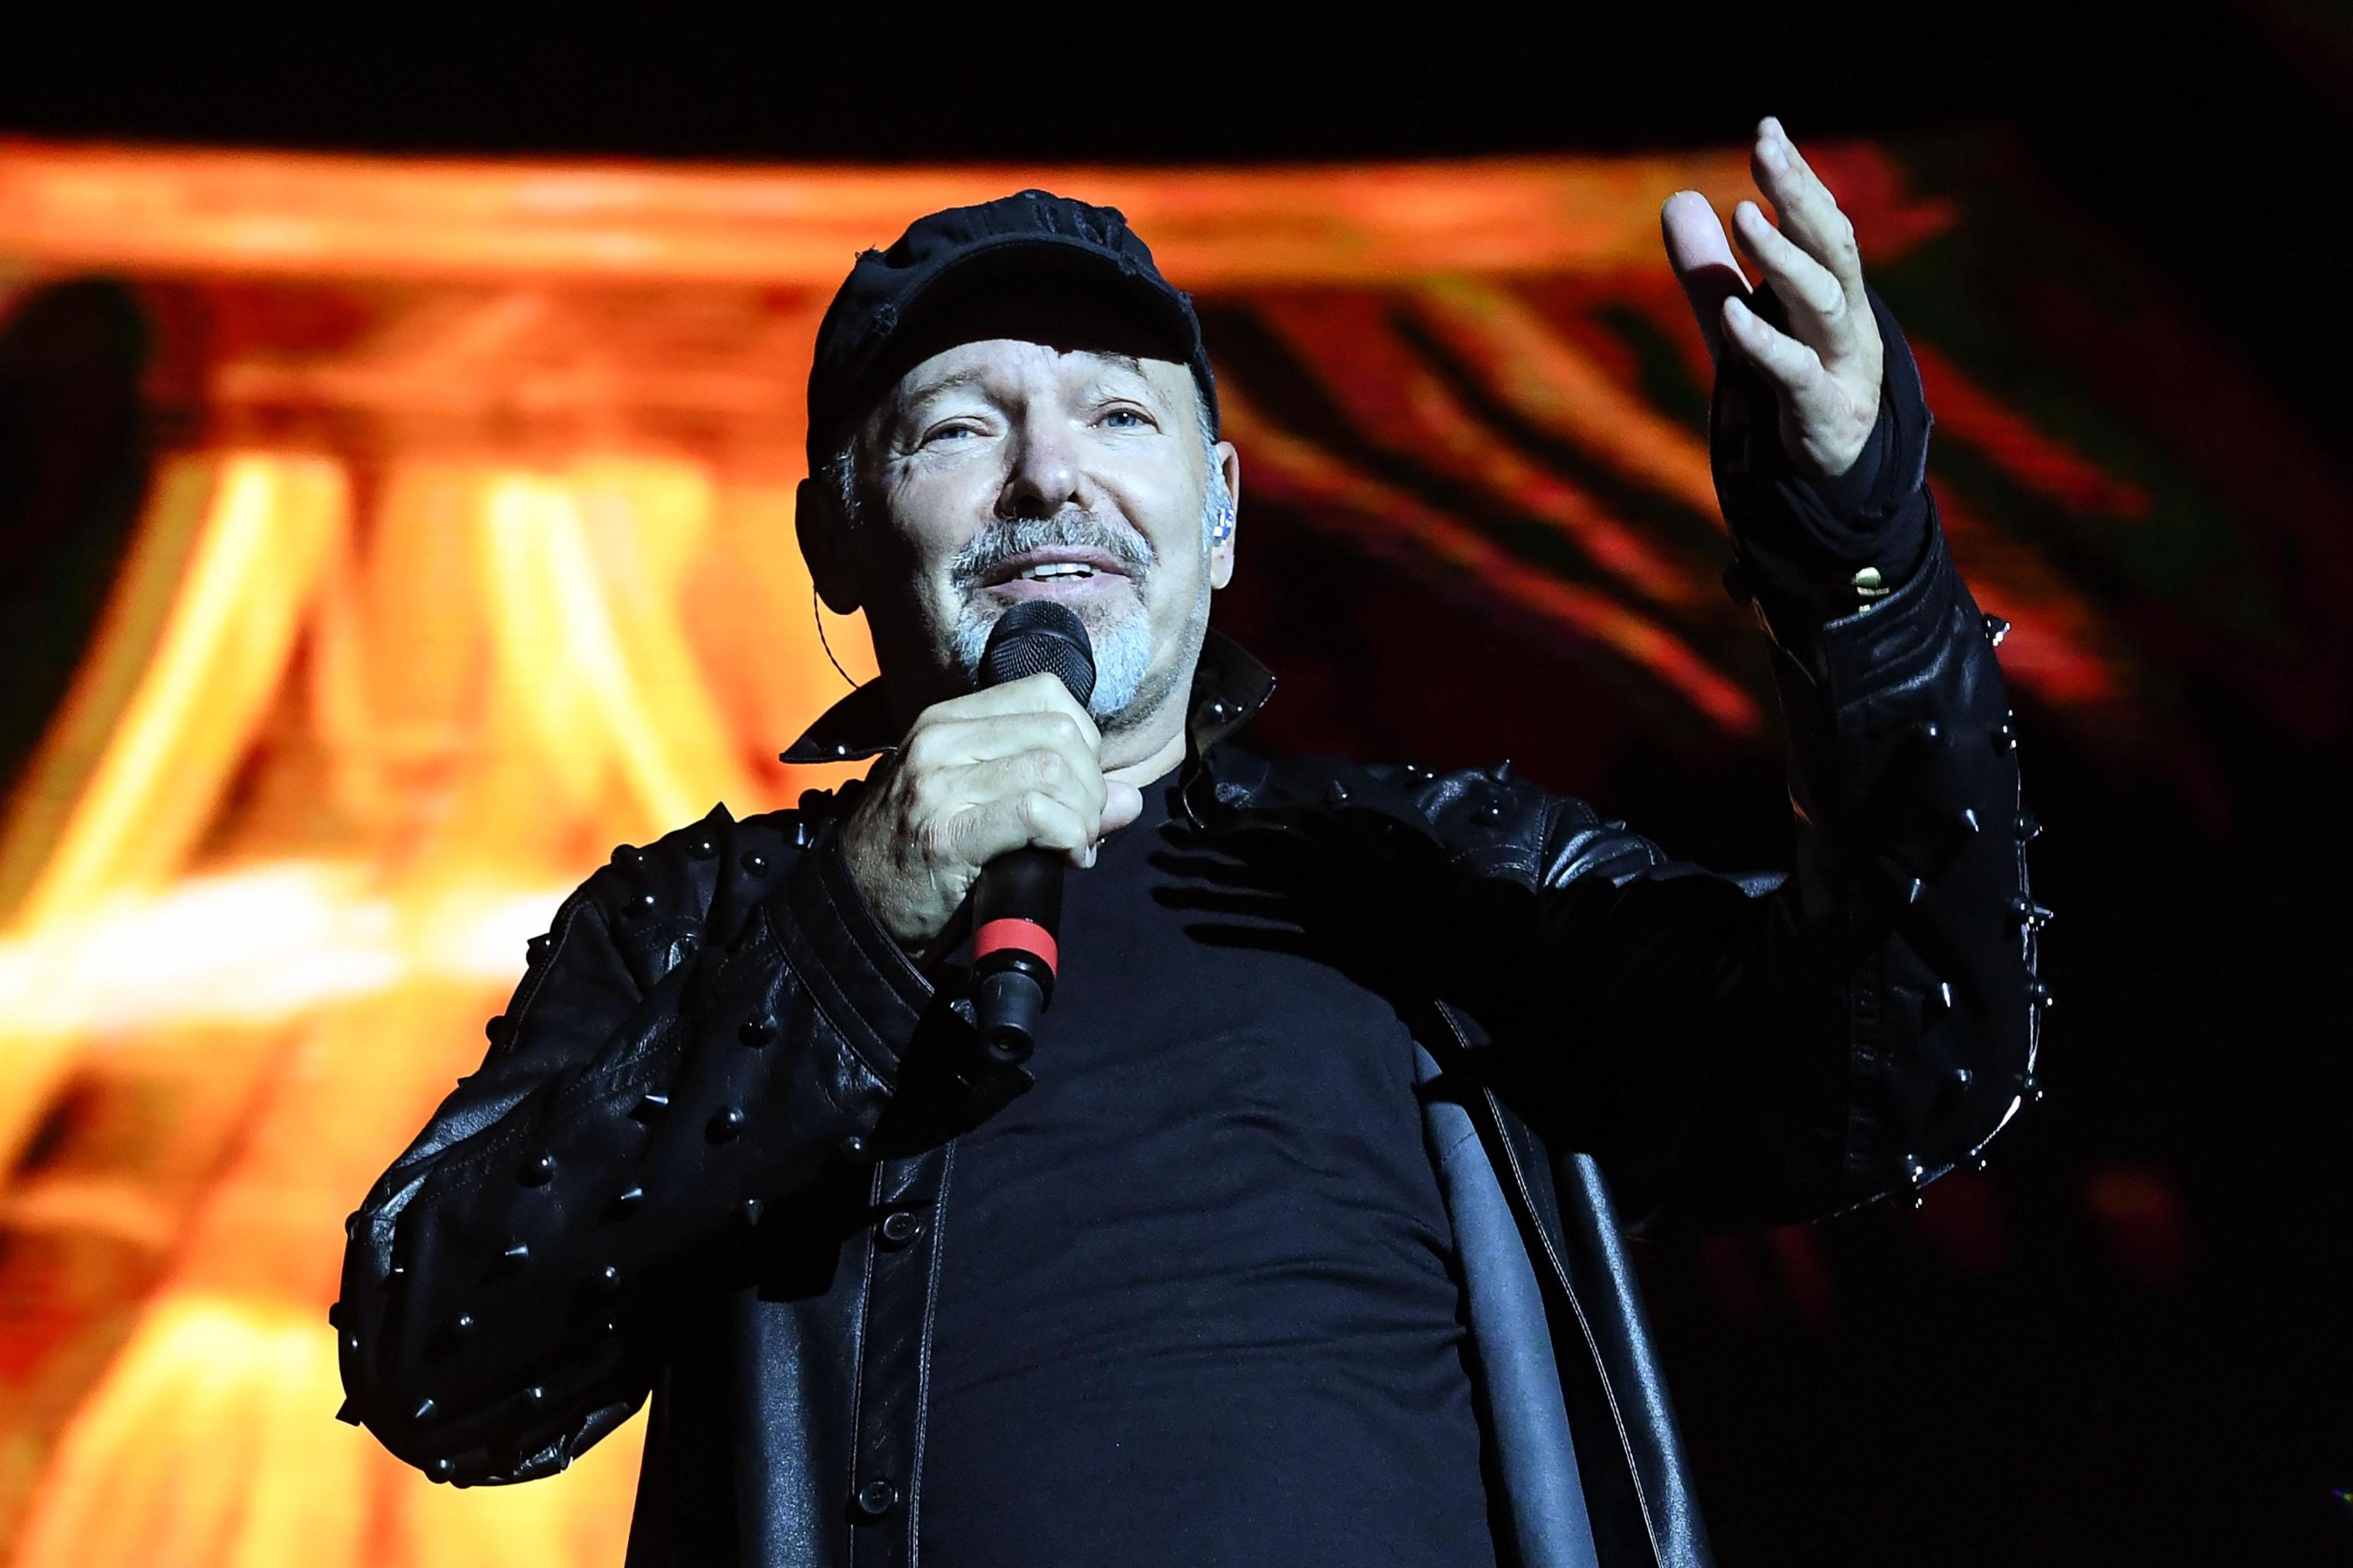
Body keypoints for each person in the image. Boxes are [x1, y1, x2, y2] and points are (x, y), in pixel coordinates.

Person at [335, 117, 2046, 1568]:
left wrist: (1860, 563)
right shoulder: (700, 925)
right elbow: (433, 1354)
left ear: (1220, 515)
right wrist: (857, 928)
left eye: (1119, 419)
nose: (1048, 481)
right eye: (960, 427)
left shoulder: (1437, 878)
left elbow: (1903, 1062)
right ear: (834, 537)